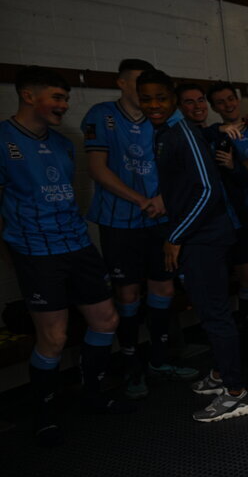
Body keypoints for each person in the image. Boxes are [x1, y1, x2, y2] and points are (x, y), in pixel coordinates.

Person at [0, 66, 133, 446]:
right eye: (57, 97)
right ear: (29, 95)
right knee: (54, 338)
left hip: (76, 243)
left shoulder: (62, 143)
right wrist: (11, 255)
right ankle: (44, 414)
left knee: (106, 319)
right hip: (36, 251)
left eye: (65, 98)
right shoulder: (3, 139)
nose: (64, 105)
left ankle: (93, 394)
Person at [137, 69, 248, 422]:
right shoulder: (165, 132)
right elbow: (184, 188)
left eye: (161, 97)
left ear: (171, 98)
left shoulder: (181, 133)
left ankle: (237, 394)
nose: (154, 105)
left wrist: (175, 235)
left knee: (215, 314)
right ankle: (221, 374)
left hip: (203, 237)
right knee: (207, 311)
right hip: (194, 235)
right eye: (146, 99)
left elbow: (208, 191)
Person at [82, 58, 197, 400]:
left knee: (163, 289)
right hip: (120, 221)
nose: (144, 91)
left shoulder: (170, 118)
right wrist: (140, 199)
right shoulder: (100, 115)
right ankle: (133, 367)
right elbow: (97, 169)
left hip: (161, 219)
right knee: (128, 296)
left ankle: (160, 361)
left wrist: (162, 198)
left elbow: (183, 168)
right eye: (136, 82)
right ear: (120, 83)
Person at [186, 82, 248, 366]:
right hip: (206, 228)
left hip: (237, 220)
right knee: (217, 290)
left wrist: (231, 166)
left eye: (201, 100)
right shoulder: (188, 135)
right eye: (191, 102)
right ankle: (226, 357)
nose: (198, 106)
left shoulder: (222, 136)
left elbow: (239, 179)